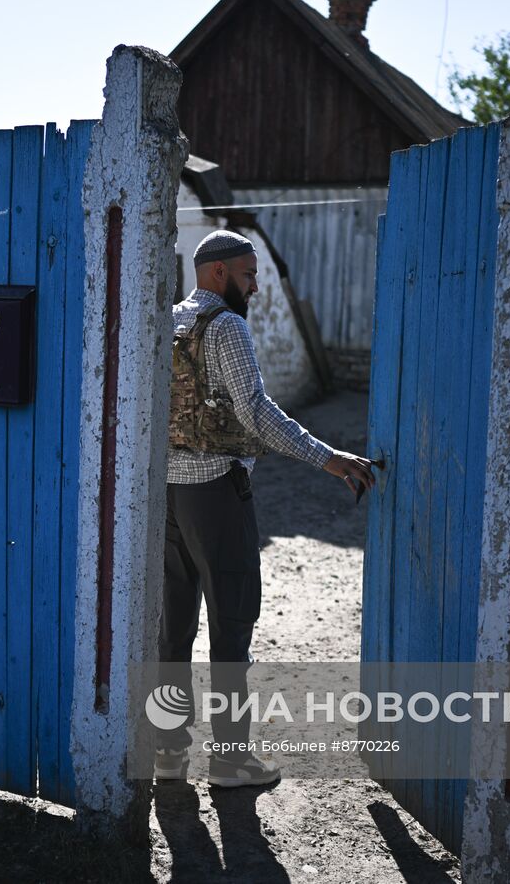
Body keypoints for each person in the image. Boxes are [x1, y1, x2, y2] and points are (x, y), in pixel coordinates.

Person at [155, 229, 376, 788]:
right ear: (219, 273)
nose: (256, 287)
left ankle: (167, 753)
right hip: (215, 493)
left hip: (167, 495)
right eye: (249, 274)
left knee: (173, 631)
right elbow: (254, 411)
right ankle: (231, 762)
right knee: (231, 630)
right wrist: (326, 457)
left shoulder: (170, 320)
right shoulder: (226, 327)